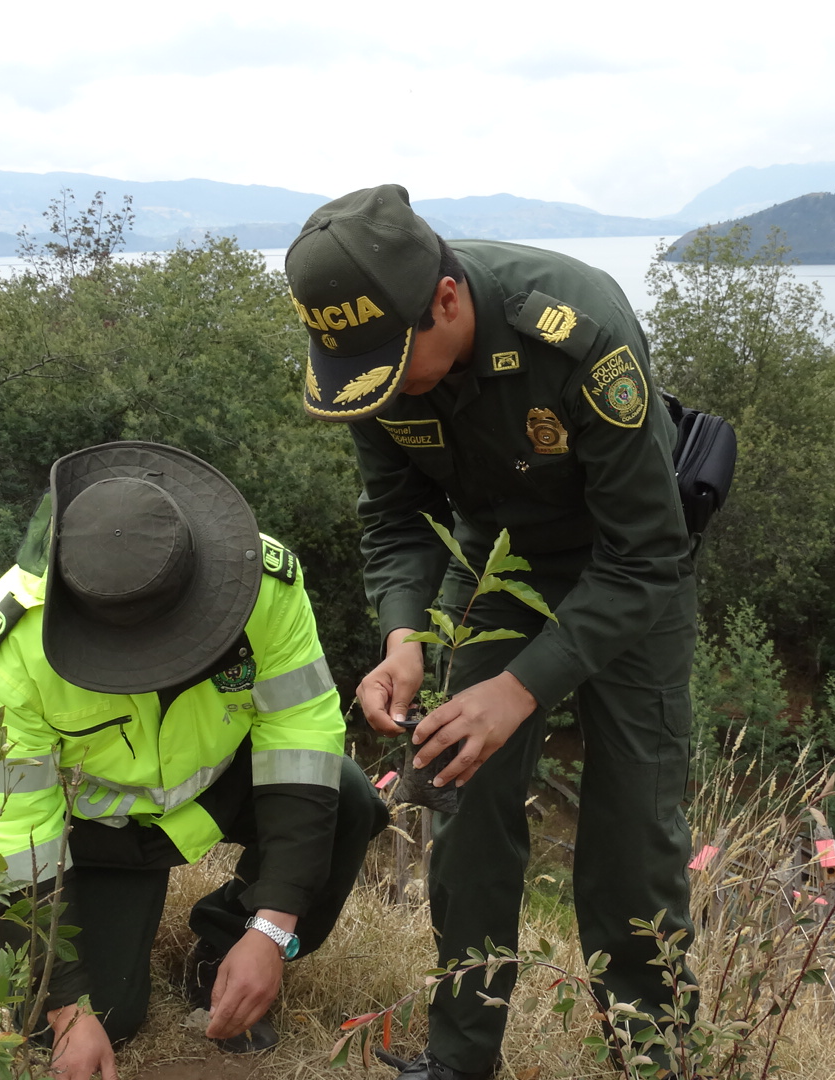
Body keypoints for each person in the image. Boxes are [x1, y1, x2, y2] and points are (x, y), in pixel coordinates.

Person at [286, 186, 699, 1079]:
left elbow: (647, 553)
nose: (390, 386)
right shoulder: (372, 357)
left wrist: (517, 693)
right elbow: (395, 521)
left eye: (402, 362)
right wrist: (405, 639)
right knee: (465, 805)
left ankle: (650, 1058)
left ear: (445, 298)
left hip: (627, 574)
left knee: (633, 840)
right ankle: (459, 1061)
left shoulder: (576, 327)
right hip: (500, 565)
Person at [0, 441, 387, 1080]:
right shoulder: (6, 648)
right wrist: (68, 1009)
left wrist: (272, 928)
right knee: (94, 1022)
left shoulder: (264, 582)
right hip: (94, 836)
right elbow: (11, 833)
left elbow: (302, 736)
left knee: (346, 794)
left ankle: (223, 948)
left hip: (212, 794)